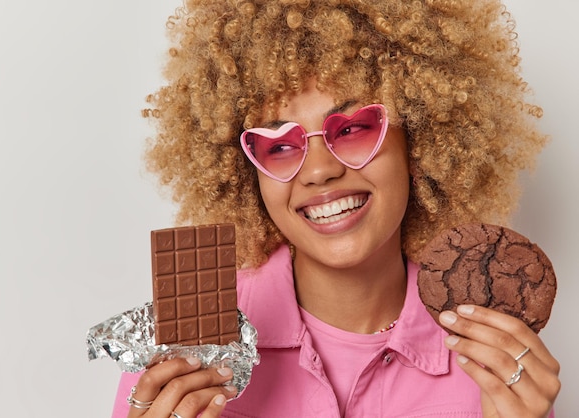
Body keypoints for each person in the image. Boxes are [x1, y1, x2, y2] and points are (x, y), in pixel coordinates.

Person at [112, 0, 561, 417]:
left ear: (419, 142)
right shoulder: (183, 353)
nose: (319, 171)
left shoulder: (489, 364)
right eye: (280, 145)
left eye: (352, 129)